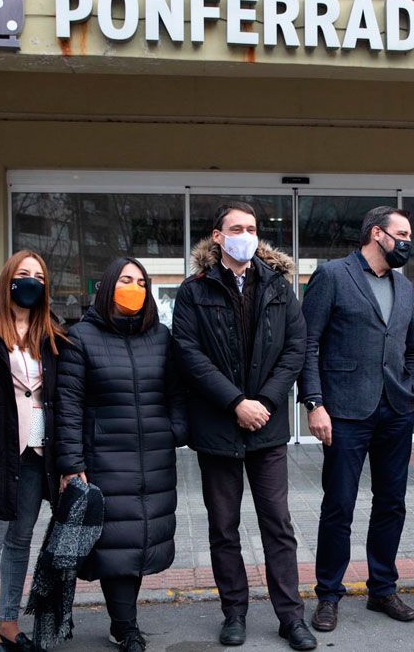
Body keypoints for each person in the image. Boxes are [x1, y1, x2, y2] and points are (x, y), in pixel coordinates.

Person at [171, 203, 316, 650]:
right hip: (218, 428)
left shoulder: (277, 286)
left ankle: (291, 617)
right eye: (237, 228)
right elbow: (187, 353)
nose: (246, 235)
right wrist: (236, 402)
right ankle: (234, 612)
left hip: (267, 428)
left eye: (252, 228)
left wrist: (265, 402)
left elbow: (296, 347)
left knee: (278, 524)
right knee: (224, 527)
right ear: (218, 236)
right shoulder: (194, 291)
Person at [55, 257, 187, 652]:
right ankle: (124, 625)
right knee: (117, 541)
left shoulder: (161, 337)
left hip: (154, 458)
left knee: (143, 536)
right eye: (125, 280)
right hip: (105, 459)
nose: (134, 287)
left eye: (141, 281)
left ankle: (123, 620)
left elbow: (177, 391)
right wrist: (72, 463)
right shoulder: (80, 337)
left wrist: (174, 430)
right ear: (107, 287)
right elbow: (68, 406)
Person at [299, 206, 414, 632]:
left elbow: (409, 347)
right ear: (376, 234)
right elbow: (307, 342)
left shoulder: (404, 286)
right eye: (401, 233)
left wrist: (413, 389)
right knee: (339, 506)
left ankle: (382, 589)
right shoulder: (333, 275)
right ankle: (328, 595)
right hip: (345, 410)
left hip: (396, 410)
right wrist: (314, 402)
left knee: (392, 503)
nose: (408, 241)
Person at [0, 250, 67, 652]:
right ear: (7, 279)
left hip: (37, 451)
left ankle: (8, 622)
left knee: (21, 539)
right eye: (23, 274)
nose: (30, 282)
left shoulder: (50, 332)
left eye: (38, 277)